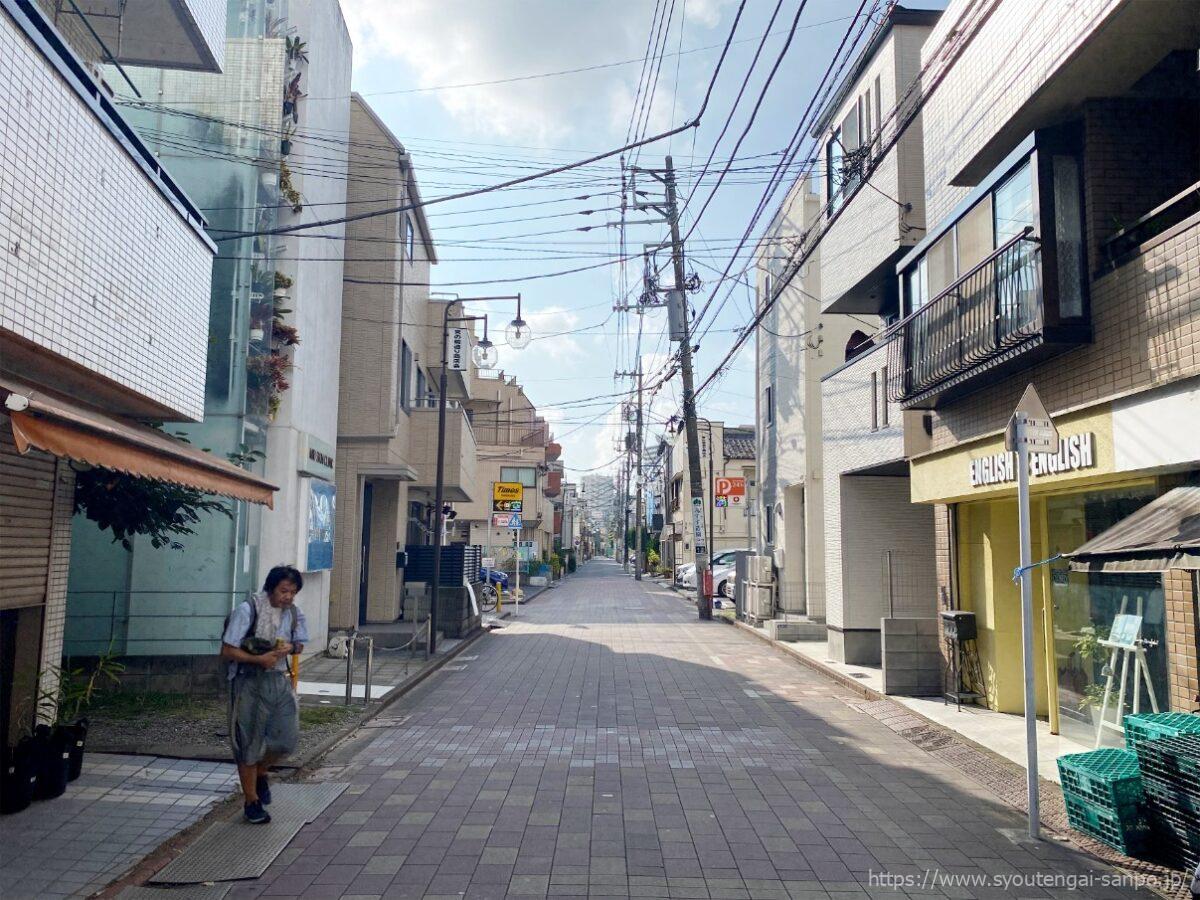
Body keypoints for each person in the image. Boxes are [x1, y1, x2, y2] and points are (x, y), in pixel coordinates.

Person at [220, 565, 309, 824]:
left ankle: (260, 773)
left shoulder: (293, 614)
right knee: (249, 742)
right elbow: (227, 649)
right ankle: (251, 801)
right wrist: (259, 659)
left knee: (286, 740)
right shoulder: (248, 610)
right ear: (271, 588)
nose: (288, 597)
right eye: (284, 591)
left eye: (293, 592)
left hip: (278, 679)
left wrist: (289, 647)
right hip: (247, 681)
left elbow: (300, 643)